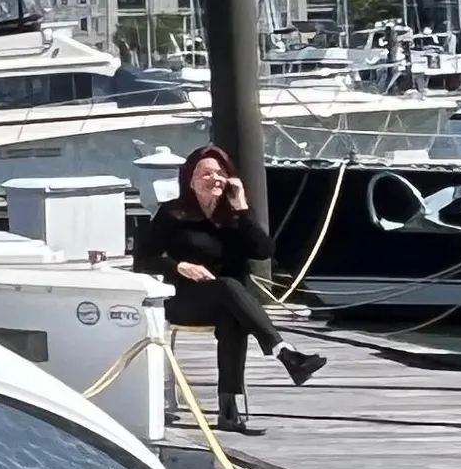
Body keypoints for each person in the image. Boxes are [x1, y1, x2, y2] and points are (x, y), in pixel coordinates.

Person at [135, 143, 324, 431]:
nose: (214, 179)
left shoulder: (233, 216)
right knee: (229, 290)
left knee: (232, 312)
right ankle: (283, 352)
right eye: (205, 173)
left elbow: (264, 252)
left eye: (220, 172)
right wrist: (179, 267)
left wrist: (242, 209)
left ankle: (228, 413)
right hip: (185, 300)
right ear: (190, 179)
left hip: (229, 302)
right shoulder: (173, 214)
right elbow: (143, 260)